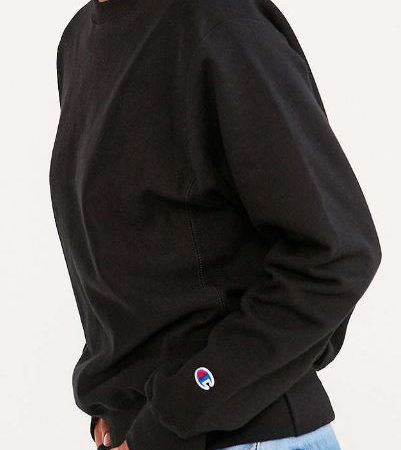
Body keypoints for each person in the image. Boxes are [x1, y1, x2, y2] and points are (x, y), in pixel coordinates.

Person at [49, 0, 381, 449]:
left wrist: (173, 414)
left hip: (247, 436)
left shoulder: (219, 23)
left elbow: (336, 256)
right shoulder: (78, 43)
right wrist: (109, 409)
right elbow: (119, 259)